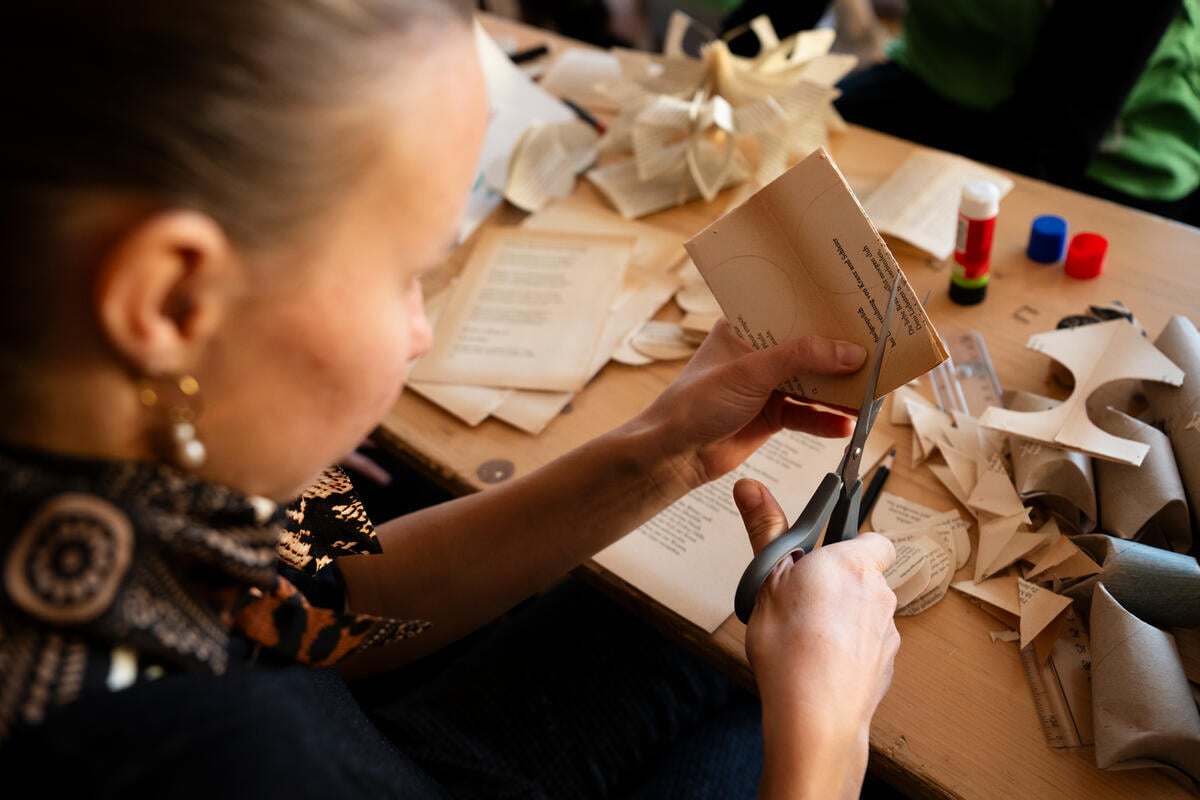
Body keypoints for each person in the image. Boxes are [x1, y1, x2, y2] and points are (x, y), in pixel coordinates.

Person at [0, 2, 899, 798]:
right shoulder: (201, 752)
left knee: (692, 652)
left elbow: (328, 599)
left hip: (364, 740)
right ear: (169, 299)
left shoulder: (113, 455)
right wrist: (824, 748)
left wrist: (666, 451)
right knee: (777, 713)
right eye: (410, 275)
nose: (423, 331)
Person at [722, 0, 1200, 227]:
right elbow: (762, 27)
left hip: (1108, 146)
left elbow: (1049, 137)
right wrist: (721, 72)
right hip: (936, 79)